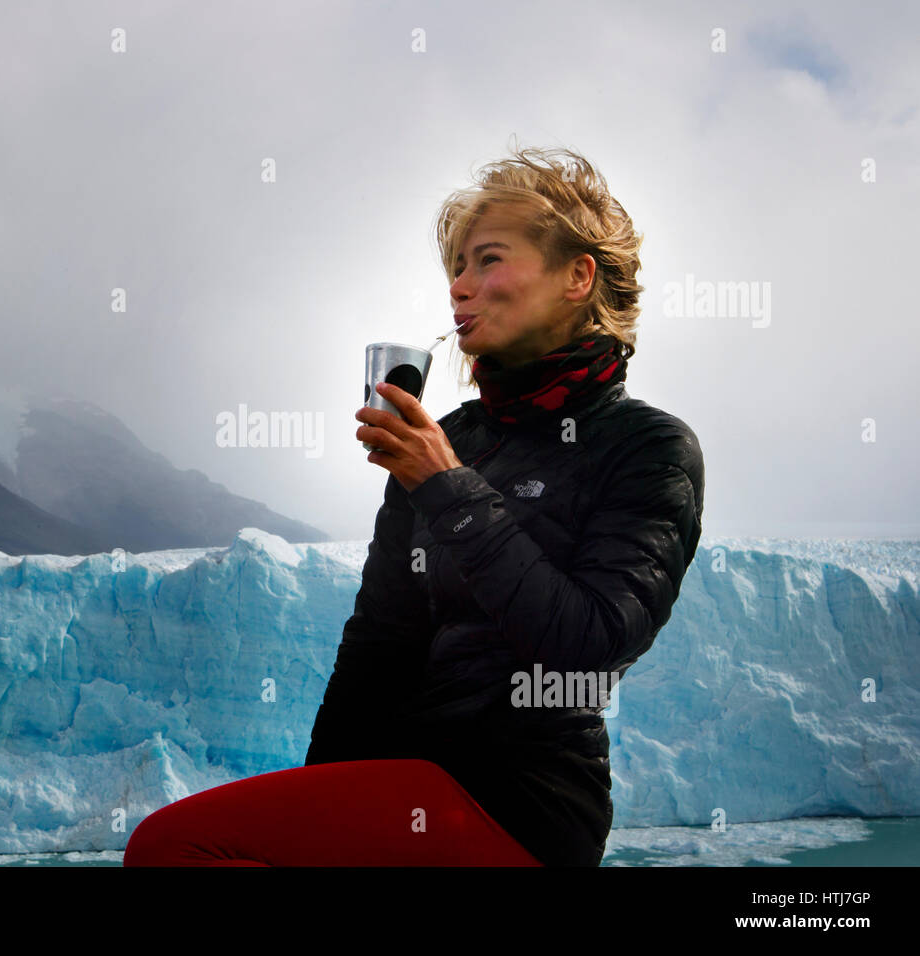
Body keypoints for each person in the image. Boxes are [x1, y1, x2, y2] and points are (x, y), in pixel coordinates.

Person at [124, 144, 705, 867]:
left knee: (175, 846)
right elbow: (379, 645)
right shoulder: (450, 437)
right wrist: (319, 809)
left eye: (487, 259)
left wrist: (448, 488)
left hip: (520, 802)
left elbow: (587, 648)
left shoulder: (647, 447)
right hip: (405, 785)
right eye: (455, 268)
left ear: (577, 277)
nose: (460, 287)